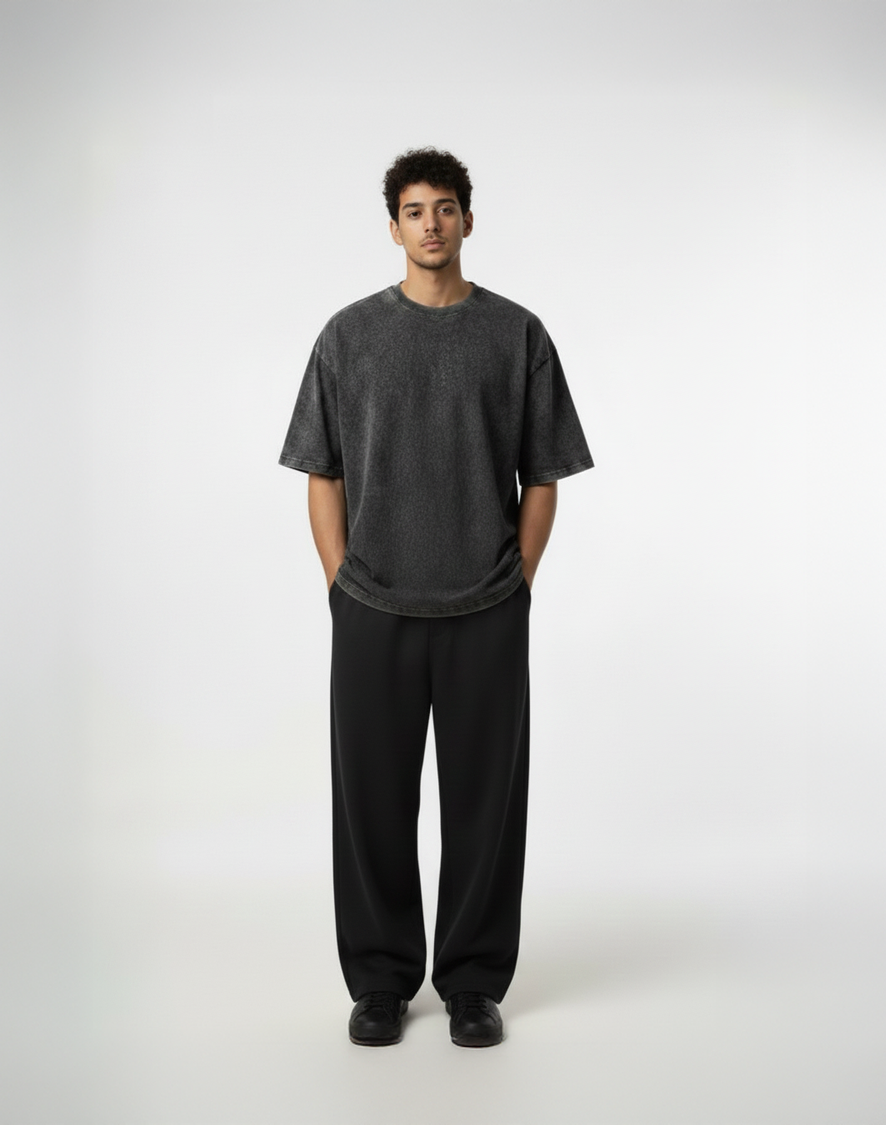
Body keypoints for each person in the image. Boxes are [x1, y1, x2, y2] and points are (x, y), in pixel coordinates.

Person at [279, 147, 593, 1048]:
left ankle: (473, 983)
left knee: (486, 805)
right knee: (370, 803)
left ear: (467, 220)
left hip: (485, 607)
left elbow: (544, 474)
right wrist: (340, 584)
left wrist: (517, 580)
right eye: (414, 210)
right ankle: (380, 982)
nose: (431, 223)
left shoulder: (516, 334)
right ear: (393, 227)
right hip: (372, 607)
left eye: (445, 207)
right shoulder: (348, 337)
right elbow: (321, 469)